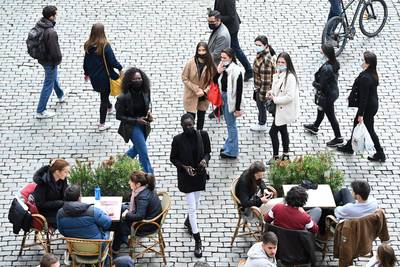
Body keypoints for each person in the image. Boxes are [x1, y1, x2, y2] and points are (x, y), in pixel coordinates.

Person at [170, 113, 211, 258]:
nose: (188, 127)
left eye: (190, 125)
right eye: (185, 125)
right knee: (192, 208)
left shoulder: (203, 135)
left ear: (194, 123)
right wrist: (184, 167)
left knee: (197, 203)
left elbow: (208, 153)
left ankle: (188, 222)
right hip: (186, 179)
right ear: (182, 125)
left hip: (199, 177)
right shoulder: (177, 140)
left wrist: (205, 161)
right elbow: (173, 158)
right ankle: (198, 240)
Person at [337, 51, 386, 162]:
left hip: (368, 107)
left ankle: (380, 153)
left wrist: (361, 114)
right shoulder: (371, 73)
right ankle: (350, 146)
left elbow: (364, 99)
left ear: (368, 63)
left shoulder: (366, 78)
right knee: (356, 124)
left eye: (363, 60)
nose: (361, 62)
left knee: (370, 129)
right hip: (372, 105)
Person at [84, 23, 123, 131]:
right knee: (103, 99)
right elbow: (112, 61)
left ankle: (110, 107)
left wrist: (86, 73)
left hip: (94, 77)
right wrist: (120, 68)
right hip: (105, 77)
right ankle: (102, 123)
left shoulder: (88, 45)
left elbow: (86, 61)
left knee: (103, 93)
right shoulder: (105, 46)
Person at [111, 171, 162, 254]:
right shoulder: (145, 188)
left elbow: (139, 216)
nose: (129, 183)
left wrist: (126, 215)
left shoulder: (142, 197)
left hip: (146, 225)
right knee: (122, 208)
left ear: (138, 184)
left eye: (131, 181)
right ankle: (123, 238)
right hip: (149, 216)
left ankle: (115, 249)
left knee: (118, 224)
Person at [303, 43, 343, 146]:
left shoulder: (327, 68)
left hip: (327, 95)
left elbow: (321, 85)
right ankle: (315, 126)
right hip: (332, 92)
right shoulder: (335, 63)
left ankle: (338, 137)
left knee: (331, 116)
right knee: (320, 109)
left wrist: (314, 83)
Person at [116, 67, 154, 173]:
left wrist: (149, 116)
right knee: (143, 152)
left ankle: (119, 165)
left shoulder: (146, 91)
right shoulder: (123, 98)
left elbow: (148, 105)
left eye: (139, 78)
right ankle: (149, 175)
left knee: (137, 149)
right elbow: (119, 116)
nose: (138, 81)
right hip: (132, 126)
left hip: (144, 125)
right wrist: (136, 120)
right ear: (129, 81)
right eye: (135, 79)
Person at [266, 52, 299, 164]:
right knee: (283, 130)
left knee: (273, 132)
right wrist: (270, 93)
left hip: (283, 109)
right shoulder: (279, 73)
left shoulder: (290, 77)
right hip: (279, 109)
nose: (280, 64)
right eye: (279, 62)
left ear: (287, 63)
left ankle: (276, 157)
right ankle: (285, 155)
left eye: (283, 62)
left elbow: (290, 97)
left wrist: (275, 99)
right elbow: (276, 89)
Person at [35, 6, 65, 119]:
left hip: (42, 58)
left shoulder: (40, 24)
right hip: (49, 60)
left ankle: (60, 95)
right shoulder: (51, 32)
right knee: (48, 83)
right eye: (55, 14)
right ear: (51, 16)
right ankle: (40, 110)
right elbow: (55, 51)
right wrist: (58, 60)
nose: (56, 16)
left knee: (52, 77)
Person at [214, 0, 253, 81]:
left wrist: (218, 18)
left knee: (236, 49)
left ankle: (249, 70)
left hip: (231, 29)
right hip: (224, 27)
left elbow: (231, 17)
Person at [182, 42, 216, 130]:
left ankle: (199, 135)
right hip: (191, 95)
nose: (201, 53)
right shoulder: (191, 63)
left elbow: (213, 81)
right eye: (199, 50)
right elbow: (184, 77)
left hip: (204, 96)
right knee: (190, 118)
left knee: (201, 117)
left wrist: (204, 91)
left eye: (203, 50)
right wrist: (196, 89)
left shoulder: (210, 63)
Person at [217, 48, 243, 159]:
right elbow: (215, 81)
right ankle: (229, 145)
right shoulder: (222, 66)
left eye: (225, 58)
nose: (222, 60)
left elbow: (239, 91)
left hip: (230, 99)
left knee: (231, 125)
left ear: (231, 58)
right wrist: (218, 72)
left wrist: (237, 108)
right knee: (229, 124)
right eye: (221, 57)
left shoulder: (236, 71)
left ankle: (232, 151)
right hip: (222, 96)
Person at [32, 159, 70, 228]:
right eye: (65, 172)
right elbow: (40, 204)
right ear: (57, 172)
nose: (67, 175)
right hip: (46, 213)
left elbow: (65, 192)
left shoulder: (62, 180)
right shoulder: (43, 183)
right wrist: (60, 203)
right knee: (70, 220)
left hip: (57, 208)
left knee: (76, 213)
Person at [207, 10, 231, 120]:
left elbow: (216, 54)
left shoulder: (222, 35)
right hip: (216, 64)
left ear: (219, 20)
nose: (210, 24)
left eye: (212, 22)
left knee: (219, 89)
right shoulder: (218, 28)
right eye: (209, 21)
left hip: (218, 66)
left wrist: (203, 58)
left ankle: (220, 108)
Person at [251, 35, 276, 132]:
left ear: (266, 46)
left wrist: (262, 96)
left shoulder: (266, 60)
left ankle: (262, 123)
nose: (257, 46)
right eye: (256, 44)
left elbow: (266, 81)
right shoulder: (262, 54)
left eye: (259, 45)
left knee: (261, 107)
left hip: (262, 89)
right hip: (259, 87)